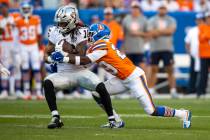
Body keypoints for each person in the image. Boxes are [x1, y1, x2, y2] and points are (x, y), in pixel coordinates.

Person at [52, 23, 192, 129]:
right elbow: (84, 62)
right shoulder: (99, 45)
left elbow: (85, 60)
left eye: (91, 34)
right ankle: (116, 120)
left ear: (97, 35)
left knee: (151, 110)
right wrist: (63, 63)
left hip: (134, 77)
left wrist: (64, 58)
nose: (88, 36)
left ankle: (182, 113)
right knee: (97, 92)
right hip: (121, 78)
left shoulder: (101, 45)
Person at [44, 5, 124, 129]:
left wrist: (64, 54)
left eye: (64, 23)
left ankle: (112, 119)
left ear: (72, 21)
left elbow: (81, 55)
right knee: (47, 82)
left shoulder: (82, 31)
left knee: (101, 87)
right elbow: (46, 52)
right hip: (63, 73)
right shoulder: (55, 31)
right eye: (59, 22)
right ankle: (56, 117)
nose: (60, 26)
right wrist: (51, 59)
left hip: (81, 72)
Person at [147, 4, 178, 98]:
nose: (162, 10)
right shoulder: (152, 20)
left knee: (170, 69)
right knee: (153, 69)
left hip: (167, 48)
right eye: (161, 8)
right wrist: (164, 31)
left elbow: (171, 31)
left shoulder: (171, 20)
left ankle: (173, 90)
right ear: (158, 9)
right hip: (155, 48)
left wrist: (158, 31)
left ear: (166, 9)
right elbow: (151, 33)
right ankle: (151, 90)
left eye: (164, 8)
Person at [15, 2, 43, 100]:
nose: (26, 10)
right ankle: (27, 91)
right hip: (22, 46)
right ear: (21, 9)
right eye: (24, 9)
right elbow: (16, 37)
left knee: (36, 69)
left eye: (27, 9)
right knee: (25, 69)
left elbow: (39, 35)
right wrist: (17, 51)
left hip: (33, 46)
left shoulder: (36, 19)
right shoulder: (17, 20)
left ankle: (38, 91)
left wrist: (40, 49)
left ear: (30, 9)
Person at [0, 2, 22, 99]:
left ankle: (17, 90)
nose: (3, 10)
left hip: (15, 44)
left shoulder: (15, 16)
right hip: (4, 44)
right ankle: (5, 90)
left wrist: (13, 24)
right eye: (1, 8)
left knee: (17, 65)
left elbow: (19, 23)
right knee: (5, 66)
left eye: (4, 8)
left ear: (7, 8)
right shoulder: (0, 19)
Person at [122, 1, 147, 70]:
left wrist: (139, 34)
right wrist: (123, 48)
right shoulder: (126, 19)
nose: (135, 10)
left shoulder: (143, 19)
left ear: (139, 9)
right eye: (133, 8)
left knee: (142, 69)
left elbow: (148, 34)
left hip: (139, 49)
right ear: (131, 9)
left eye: (137, 8)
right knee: (128, 70)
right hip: (128, 50)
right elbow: (122, 34)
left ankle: (144, 81)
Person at [185, 13, 205, 94]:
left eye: (201, 20)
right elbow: (187, 42)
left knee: (204, 73)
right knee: (193, 72)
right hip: (194, 54)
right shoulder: (192, 30)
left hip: (205, 55)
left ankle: (201, 90)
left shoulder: (207, 29)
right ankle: (191, 89)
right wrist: (189, 52)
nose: (199, 21)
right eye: (198, 20)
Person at [197, 12, 210, 98]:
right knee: (203, 74)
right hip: (204, 54)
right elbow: (201, 38)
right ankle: (201, 92)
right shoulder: (202, 27)